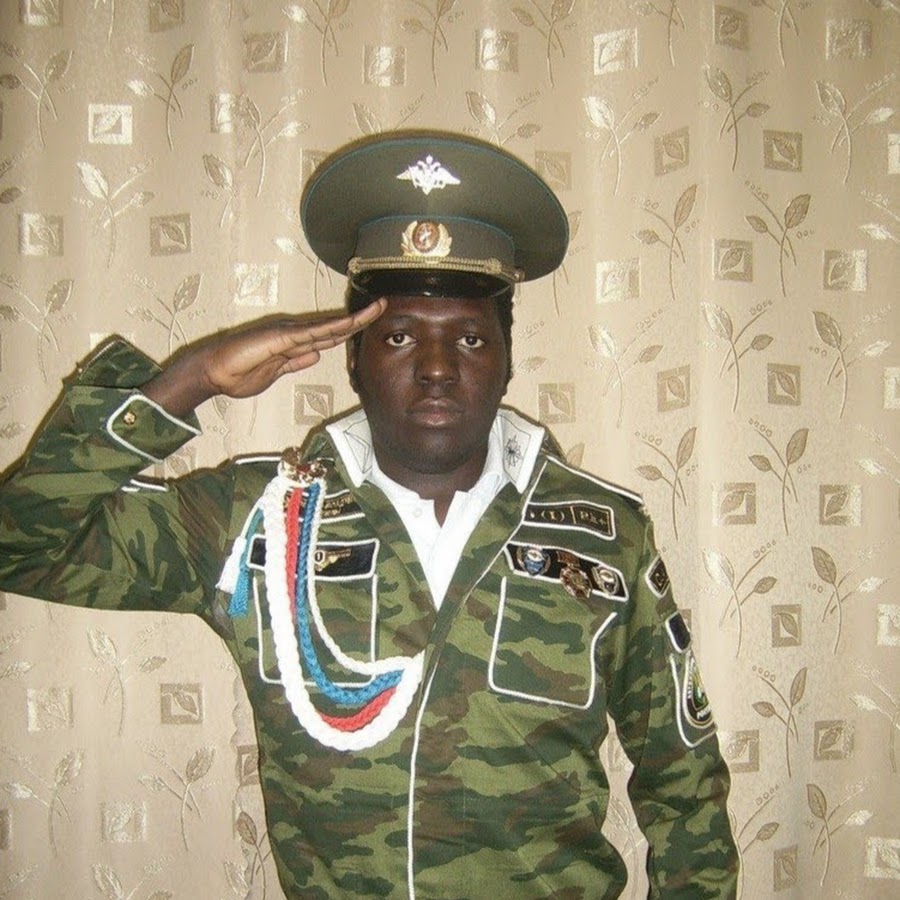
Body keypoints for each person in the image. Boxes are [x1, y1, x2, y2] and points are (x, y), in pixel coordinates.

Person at [0, 131, 738, 898]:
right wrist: (190, 380)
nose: (437, 368)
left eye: (471, 337)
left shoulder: (606, 535)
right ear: (353, 358)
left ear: (508, 358)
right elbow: (17, 545)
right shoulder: (255, 519)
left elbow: (682, 778)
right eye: (398, 336)